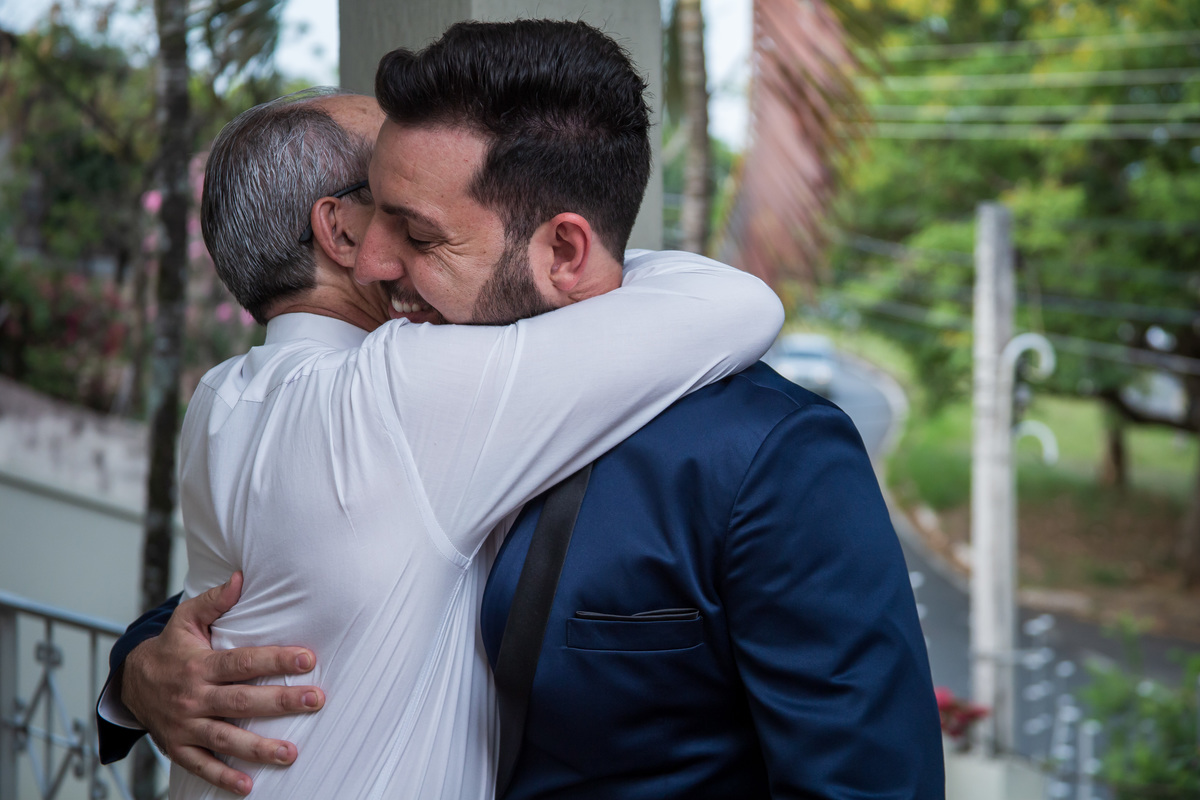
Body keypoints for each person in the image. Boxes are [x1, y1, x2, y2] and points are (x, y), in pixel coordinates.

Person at [101, 19, 943, 800]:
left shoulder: (766, 452)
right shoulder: (401, 393)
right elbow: (268, 583)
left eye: (417, 233)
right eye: (371, 217)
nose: (376, 265)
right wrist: (143, 667)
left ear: (563, 248)